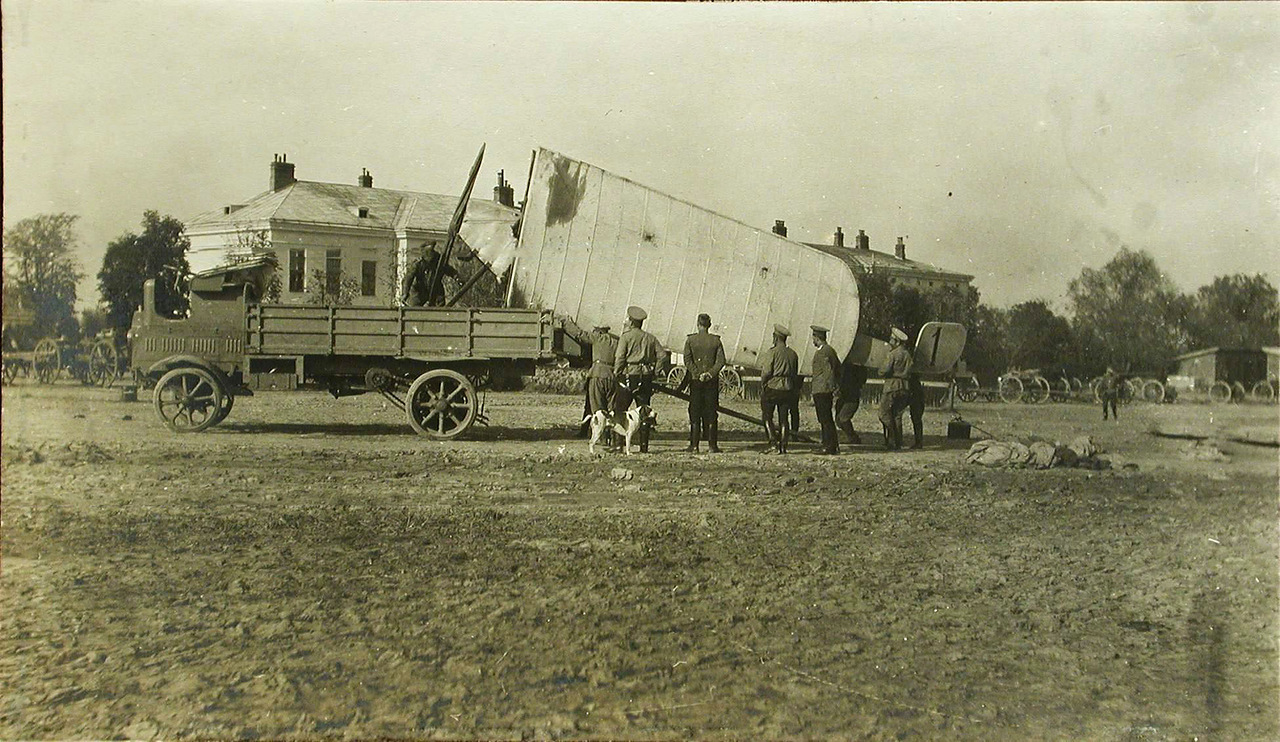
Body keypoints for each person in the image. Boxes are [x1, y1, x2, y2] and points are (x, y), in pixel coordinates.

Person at [614, 305, 664, 452]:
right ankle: (644, 447)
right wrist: (655, 371)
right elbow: (662, 356)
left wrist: (617, 372)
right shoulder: (651, 338)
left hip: (629, 376)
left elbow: (620, 357)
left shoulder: (626, 337)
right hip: (646, 377)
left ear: (630, 321)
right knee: (645, 412)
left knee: (621, 410)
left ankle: (619, 445)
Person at [563, 318, 620, 447]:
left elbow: (579, 335)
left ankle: (601, 438)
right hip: (612, 376)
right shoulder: (616, 341)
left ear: (598, 330)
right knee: (611, 409)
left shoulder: (597, 337)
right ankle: (612, 437)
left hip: (597, 375)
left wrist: (566, 323)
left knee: (597, 407)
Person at [681, 313, 726, 453]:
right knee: (711, 412)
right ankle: (712, 446)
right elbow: (721, 361)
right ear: (709, 325)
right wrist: (710, 374)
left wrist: (697, 373)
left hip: (696, 381)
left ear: (698, 324)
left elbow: (687, 360)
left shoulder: (691, 340)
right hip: (711, 382)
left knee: (694, 411)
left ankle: (694, 446)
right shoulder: (716, 341)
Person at [758, 324, 799, 454]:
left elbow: (766, 372)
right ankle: (783, 446)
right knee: (784, 418)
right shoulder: (793, 354)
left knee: (767, 416)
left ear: (775, 338)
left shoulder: (772, 352)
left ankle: (772, 443)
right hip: (787, 388)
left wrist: (763, 384)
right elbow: (794, 373)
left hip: (773, 387)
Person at [878, 327, 914, 450]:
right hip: (905, 387)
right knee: (897, 415)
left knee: (883, 414)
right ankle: (898, 442)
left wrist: (880, 371)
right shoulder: (908, 355)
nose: (890, 341)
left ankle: (891, 439)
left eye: (892, 339)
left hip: (891, 386)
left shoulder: (892, 354)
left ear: (897, 341)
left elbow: (884, 371)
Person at [810, 325, 841, 455]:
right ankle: (831, 445)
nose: (813, 340)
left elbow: (828, 371)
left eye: (813, 337)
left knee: (824, 419)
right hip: (824, 389)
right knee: (826, 418)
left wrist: (831, 386)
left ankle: (828, 446)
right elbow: (837, 367)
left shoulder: (823, 353)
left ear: (817, 338)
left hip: (822, 390)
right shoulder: (830, 350)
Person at [400, 242, 459, 307]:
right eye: (429, 252)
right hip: (420, 289)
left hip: (436, 289)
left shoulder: (438, 262)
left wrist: (457, 277)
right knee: (415, 307)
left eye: (432, 252)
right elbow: (408, 278)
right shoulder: (418, 264)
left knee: (439, 307)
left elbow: (449, 270)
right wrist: (405, 293)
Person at [835, 360, 867, 445]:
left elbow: (862, 380)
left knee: (843, 418)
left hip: (851, 396)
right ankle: (852, 437)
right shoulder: (844, 365)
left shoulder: (858, 367)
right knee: (839, 420)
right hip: (844, 395)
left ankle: (853, 438)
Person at [907, 370, 926, 449]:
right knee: (917, 419)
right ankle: (918, 441)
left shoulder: (913, 383)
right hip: (917, 397)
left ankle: (918, 442)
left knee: (916, 419)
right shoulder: (916, 383)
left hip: (916, 397)